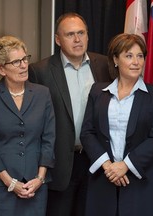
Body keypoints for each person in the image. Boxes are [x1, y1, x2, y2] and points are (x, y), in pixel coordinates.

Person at [28, 13, 112, 216]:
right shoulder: (40, 71)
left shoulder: (103, 64)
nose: (77, 40)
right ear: (58, 39)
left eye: (81, 33)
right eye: (70, 34)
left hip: (97, 161)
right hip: (60, 165)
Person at [80, 33, 153, 216]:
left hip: (140, 181)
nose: (136, 62)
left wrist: (125, 165)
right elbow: (87, 133)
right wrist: (108, 166)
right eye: (129, 56)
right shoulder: (98, 91)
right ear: (115, 59)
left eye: (140, 56)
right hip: (104, 179)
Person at [0, 35, 55, 216]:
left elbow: (48, 139)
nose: (24, 65)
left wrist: (40, 178)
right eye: (16, 62)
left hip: (36, 187)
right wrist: (10, 182)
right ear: (1, 68)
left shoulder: (43, 94)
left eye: (25, 58)